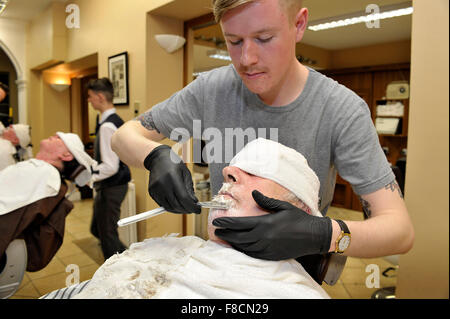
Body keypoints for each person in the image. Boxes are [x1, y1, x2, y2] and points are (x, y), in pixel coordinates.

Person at [111, 0, 414, 262]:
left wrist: (323, 234)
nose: (247, 60)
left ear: (299, 24)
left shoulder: (340, 109)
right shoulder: (211, 89)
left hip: (295, 272)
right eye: (234, 41)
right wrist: (155, 156)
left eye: (264, 38)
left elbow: (398, 231)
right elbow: (123, 136)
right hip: (224, 265)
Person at [44, 138, 330, 299]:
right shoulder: (173, 248)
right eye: (233, 168)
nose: (228, 173)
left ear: (299, 211)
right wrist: (156, 154)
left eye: (256, 172)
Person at [0, 132, 97, 274]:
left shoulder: (47, 176)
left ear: (66, 156)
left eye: (59, 138)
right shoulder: (40, 171)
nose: (54, 135)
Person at [86, 77, 131, 260]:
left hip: (112, 186)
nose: (88, 100)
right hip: (113, 185)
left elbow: (110, 167)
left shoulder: (107, 126)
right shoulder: (114, 120)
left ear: (100, 97)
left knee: (107, 236)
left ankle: (122, 269)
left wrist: (88, 174)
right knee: (97, 229)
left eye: (89, 96)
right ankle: (128, 258)